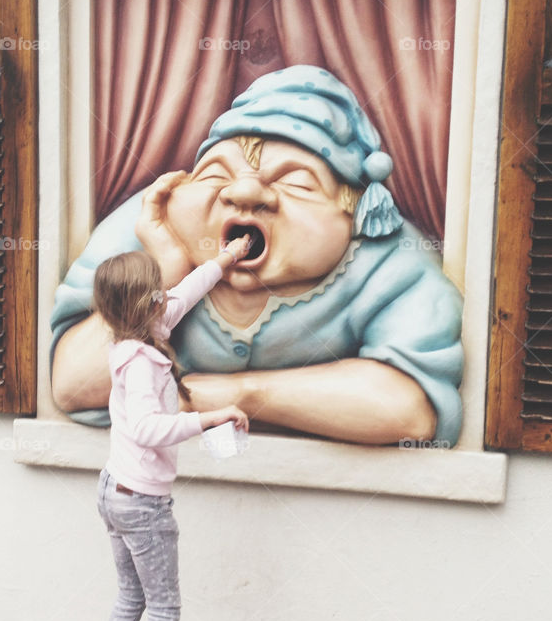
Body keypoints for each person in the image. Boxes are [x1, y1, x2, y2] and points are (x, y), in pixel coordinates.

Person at [50, 66, 464, 449]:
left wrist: (229, 394)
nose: (244, 193)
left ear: (353, 210)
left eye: (296, 182)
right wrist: (161, 274)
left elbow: (409, 409)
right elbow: (73, 385)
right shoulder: (151, 222)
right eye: (216, 173)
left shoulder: (388, 256)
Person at [91, 237, 250, 621]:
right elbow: (146, 427)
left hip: (116, 490)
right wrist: (213, 416)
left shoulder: (136, 338)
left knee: (129, 598)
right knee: (162, 609)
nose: (165, 293)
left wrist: (224, 261)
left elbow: (184, 294)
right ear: (142, 304)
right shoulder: (141, 364)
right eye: (154, 289)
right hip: (142, 504)